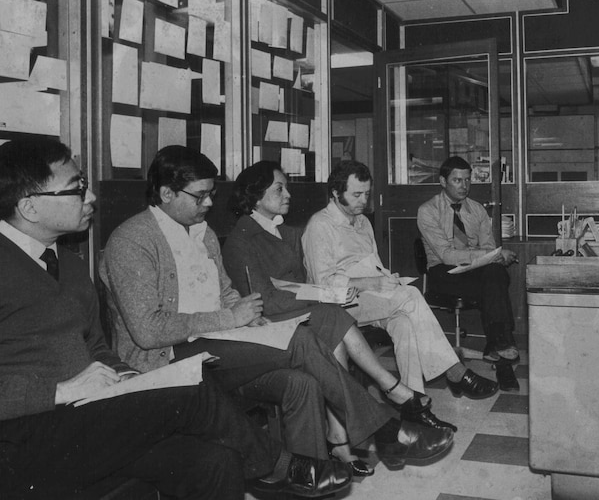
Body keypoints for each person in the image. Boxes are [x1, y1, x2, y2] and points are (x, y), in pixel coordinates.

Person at [100, 146, 454, 489]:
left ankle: (309, 477)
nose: (209, 204)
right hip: (169, 358)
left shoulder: (203, 233)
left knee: (303, 383)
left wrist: (246, 314)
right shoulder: (133, 240)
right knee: (301, 340)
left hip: (220, 346)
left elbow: (225, 292)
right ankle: (384, 429)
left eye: (211, 194)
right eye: (199, 196)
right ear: (165, 193)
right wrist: (230, 318)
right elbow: (148, 332)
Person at [0, 139, 301, 499]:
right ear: (29, 206)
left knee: (217, 460)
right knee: (191, 389)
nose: (91, 196)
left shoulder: (70, 264)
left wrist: (125, 376)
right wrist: (61, 390)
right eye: (77, 188)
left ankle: (276, 468)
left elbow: (95, 345)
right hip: (23, 436)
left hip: (85, 418)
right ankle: (283, 468)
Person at [222, 161, 455, 473]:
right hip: (269, 324)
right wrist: (323, 294)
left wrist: (323, 293)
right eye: (279, 188)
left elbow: (300, 282)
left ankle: (343, 437)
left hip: (299, 313)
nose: (288, 193)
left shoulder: (282, 231)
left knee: (342, 324)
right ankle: (392, 393)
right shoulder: (242, 239)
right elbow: (267, 301)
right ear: (254, 196)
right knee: (331, 316)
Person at [302, 160, 499, 416]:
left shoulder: (362, 222)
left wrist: (384, 277)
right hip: (336, 308)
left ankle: (415, 404)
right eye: (356, 195)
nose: (363, 201)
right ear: (336, 193)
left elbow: (372, 267)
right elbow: (323, 285)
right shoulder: (320, 226)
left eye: (367, 194)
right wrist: (373, 283)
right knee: (411, 295)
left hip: (366, 301)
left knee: (405, 323)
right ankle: (453, 369)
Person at [417, 156, 520, 364]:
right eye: (457, 180)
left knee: (496, 273)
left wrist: (491, 256)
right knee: (493, 283)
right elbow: (446, 255)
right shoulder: (427, 211)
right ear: (443, 182)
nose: (464, 186)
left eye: (467, 180)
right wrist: (491, 255)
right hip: (443, 273)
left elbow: (489, 248)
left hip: (474, 271)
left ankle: (497, 346)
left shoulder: (477, 210)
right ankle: (501, 346)